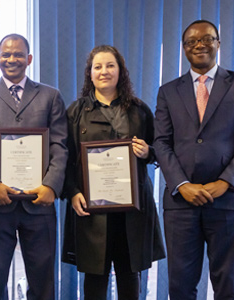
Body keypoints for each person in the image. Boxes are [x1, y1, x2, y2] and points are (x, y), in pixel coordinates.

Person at [153, 20, 234, 300]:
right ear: (184, 48)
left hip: (227, 201)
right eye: (191, 41)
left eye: (206, 39)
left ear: (218, 43)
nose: (199, 45)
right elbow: (161, 142)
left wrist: (225, 182)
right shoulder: (168, 91)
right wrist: (181, 184)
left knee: (229, 286)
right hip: (181, 203)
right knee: (180, 286)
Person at [0, 33, 68, 300]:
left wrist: (51, 186)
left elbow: (60, 145)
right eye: (7, 54)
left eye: (19, 54)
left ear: (29, 59)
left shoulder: (50, 96)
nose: (12, 59)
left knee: (43, 281)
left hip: (39, 203)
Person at [63, 45, 165, 299]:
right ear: (90, 73)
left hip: (131, 208)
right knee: (95, 277)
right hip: (91, 208)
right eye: (98, 67)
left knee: (130, 275)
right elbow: (63, 158)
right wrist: (73, 192)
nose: (104, 71)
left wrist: (148, 152)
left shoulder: (140, 110)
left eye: (110, 65)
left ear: (121, 71)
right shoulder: (75, 112)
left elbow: (161, 149)